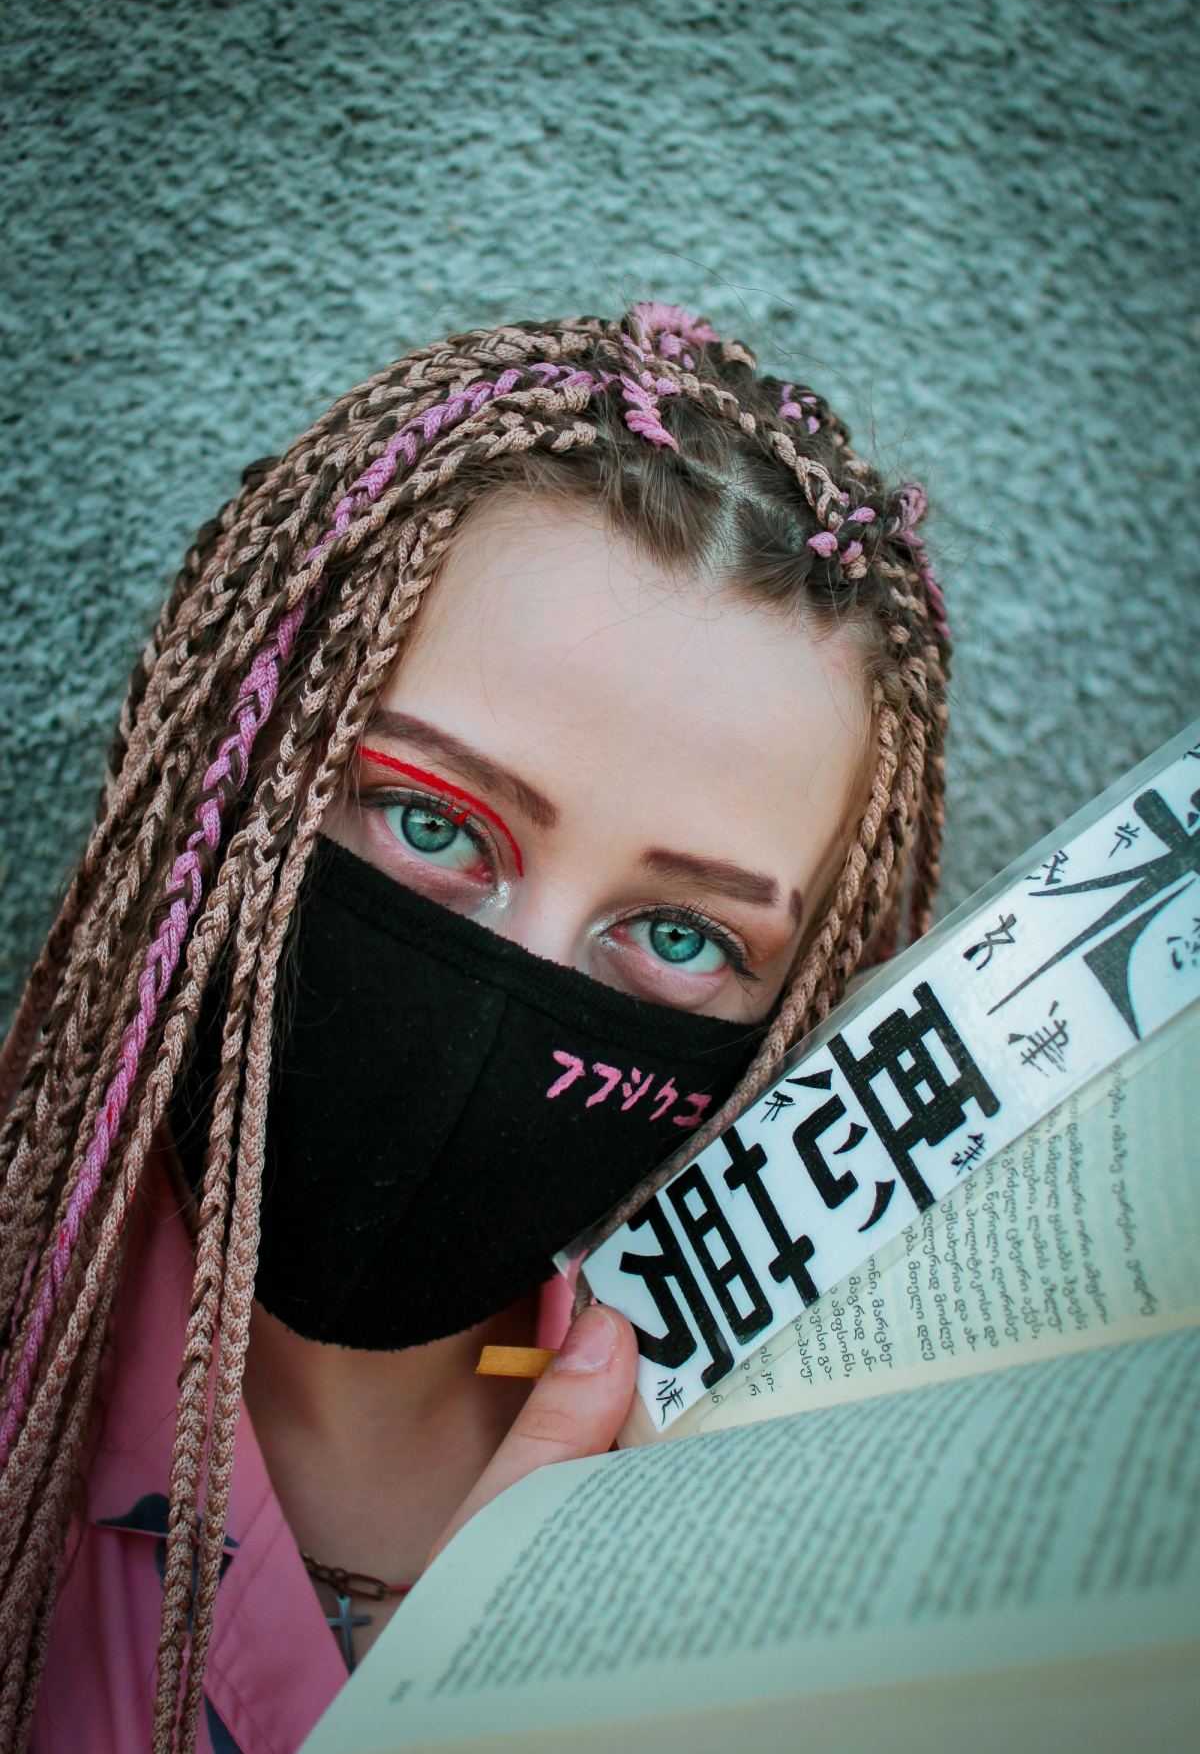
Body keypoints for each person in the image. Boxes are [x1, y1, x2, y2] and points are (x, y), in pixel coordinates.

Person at [0, 301, 951, 1752]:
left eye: (683, 936)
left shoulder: (818, 1509)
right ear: (237, 771)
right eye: (432, 821)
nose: (508, 989)